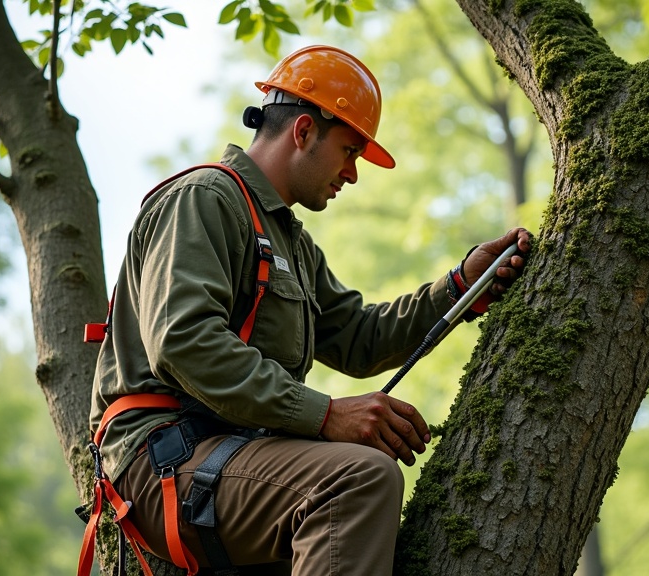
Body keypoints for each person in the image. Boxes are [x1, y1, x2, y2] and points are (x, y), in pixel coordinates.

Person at [88, 44, 532, 576]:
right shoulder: (205, 198)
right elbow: (184, 342)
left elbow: (359, 337)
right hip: (164, 458)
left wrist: (461, 286)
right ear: (303, 131)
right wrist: (326, 415)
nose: (353, 173)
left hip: (230, 456)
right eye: (349, 150)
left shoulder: (291, 243)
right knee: (360, 477)